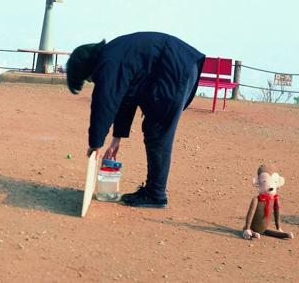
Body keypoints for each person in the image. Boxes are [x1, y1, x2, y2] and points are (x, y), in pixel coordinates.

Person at [67, 32, 205, 208]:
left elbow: (104, 102)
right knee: (155, 127)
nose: (92, 81)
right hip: (177, 65)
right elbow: (125, 99)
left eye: (88, 78)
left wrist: (95, 143)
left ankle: (156, 195)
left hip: (174, 68)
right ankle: (154, 192)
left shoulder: (109, 62)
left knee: (157, 130)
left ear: (87, 67)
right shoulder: (114, 54)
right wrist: (116, 138)